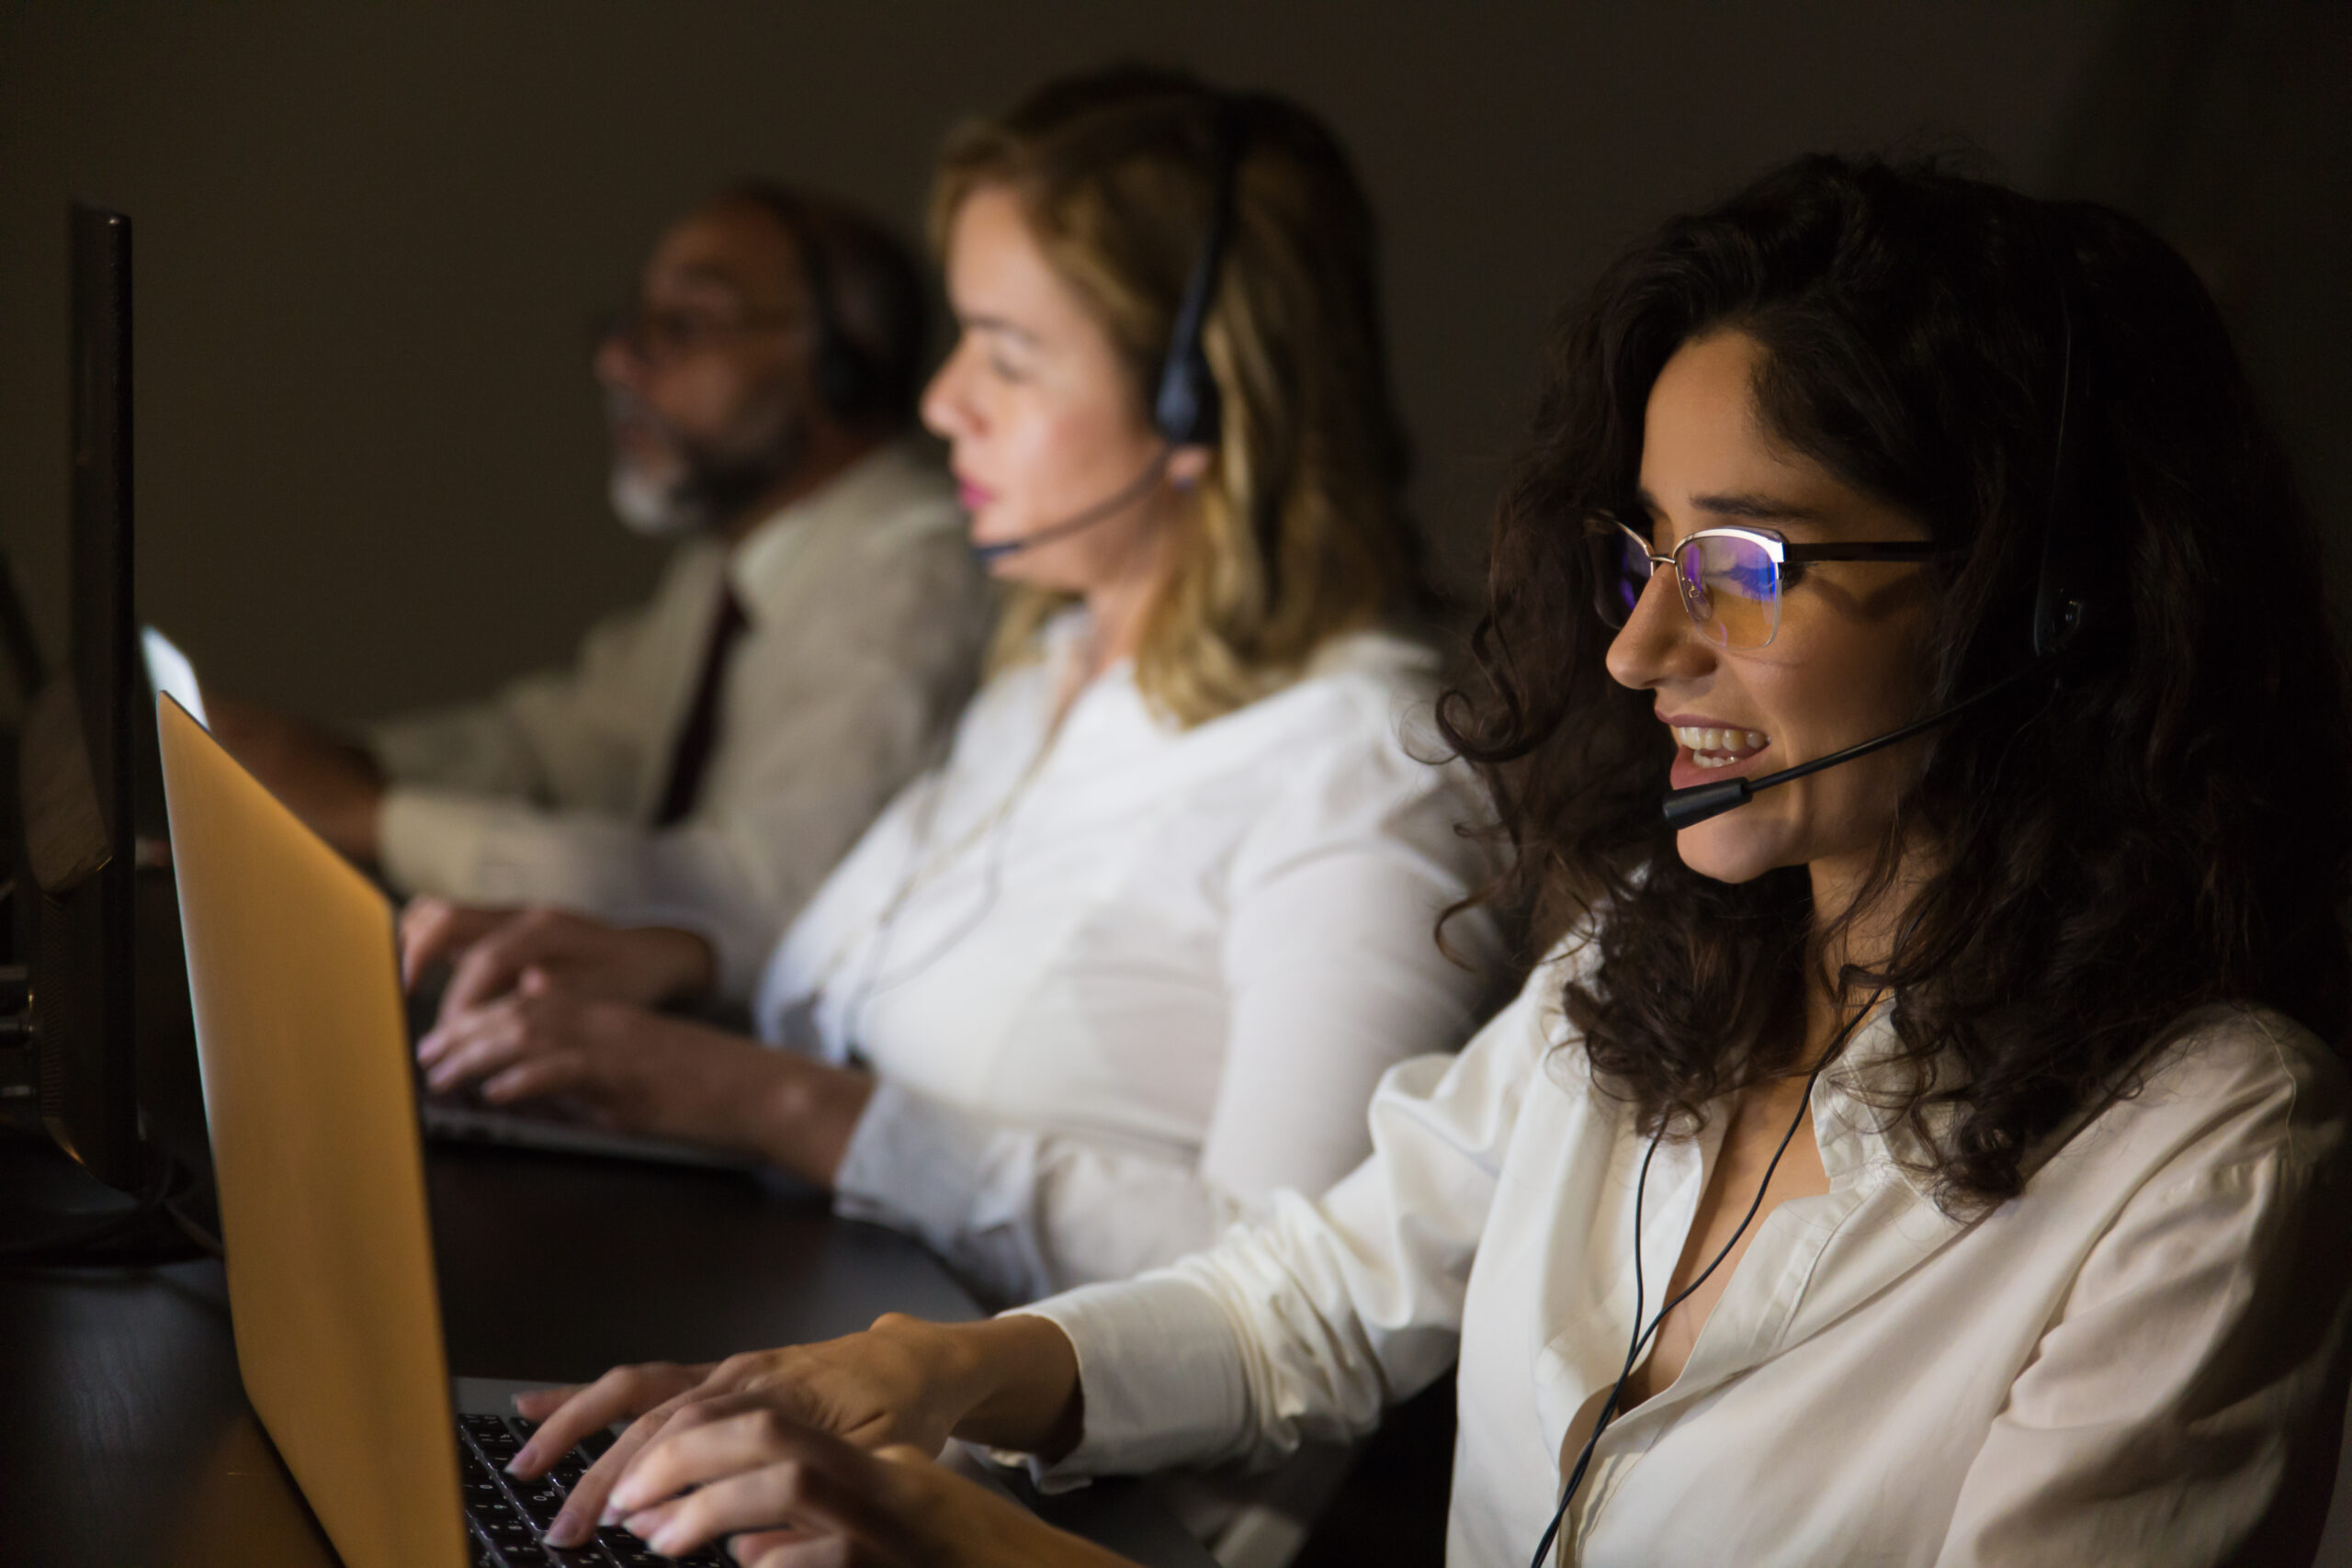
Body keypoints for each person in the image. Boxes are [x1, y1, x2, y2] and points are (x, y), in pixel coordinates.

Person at [500, 156, 2352, 1567]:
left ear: (2041, 616)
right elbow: (1302, 1293)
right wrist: (912, 1376)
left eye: (1750, 566)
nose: (1637, 654)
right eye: (1644, 557)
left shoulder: (2205, 1154)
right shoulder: (1670, 953)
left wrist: (962, 1537)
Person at [404, 67, 1500, 1328]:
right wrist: (677, 968)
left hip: (1058, 1507)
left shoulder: (1366, 764)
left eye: (1009, 356)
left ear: (1199, 398)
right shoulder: (1050, 671)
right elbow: (892, 1024)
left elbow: (1306, 1298)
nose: (939, 402)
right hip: (814, 1374)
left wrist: (783, 1104)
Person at [211, 186, 993, 991]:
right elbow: (566, 745)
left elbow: (744, 901)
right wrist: (317, 765)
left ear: (842, 365)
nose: (617, 360)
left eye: (684, 326)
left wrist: (373, 817)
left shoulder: (914, 576)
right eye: (631, 325)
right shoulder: (727, 570)